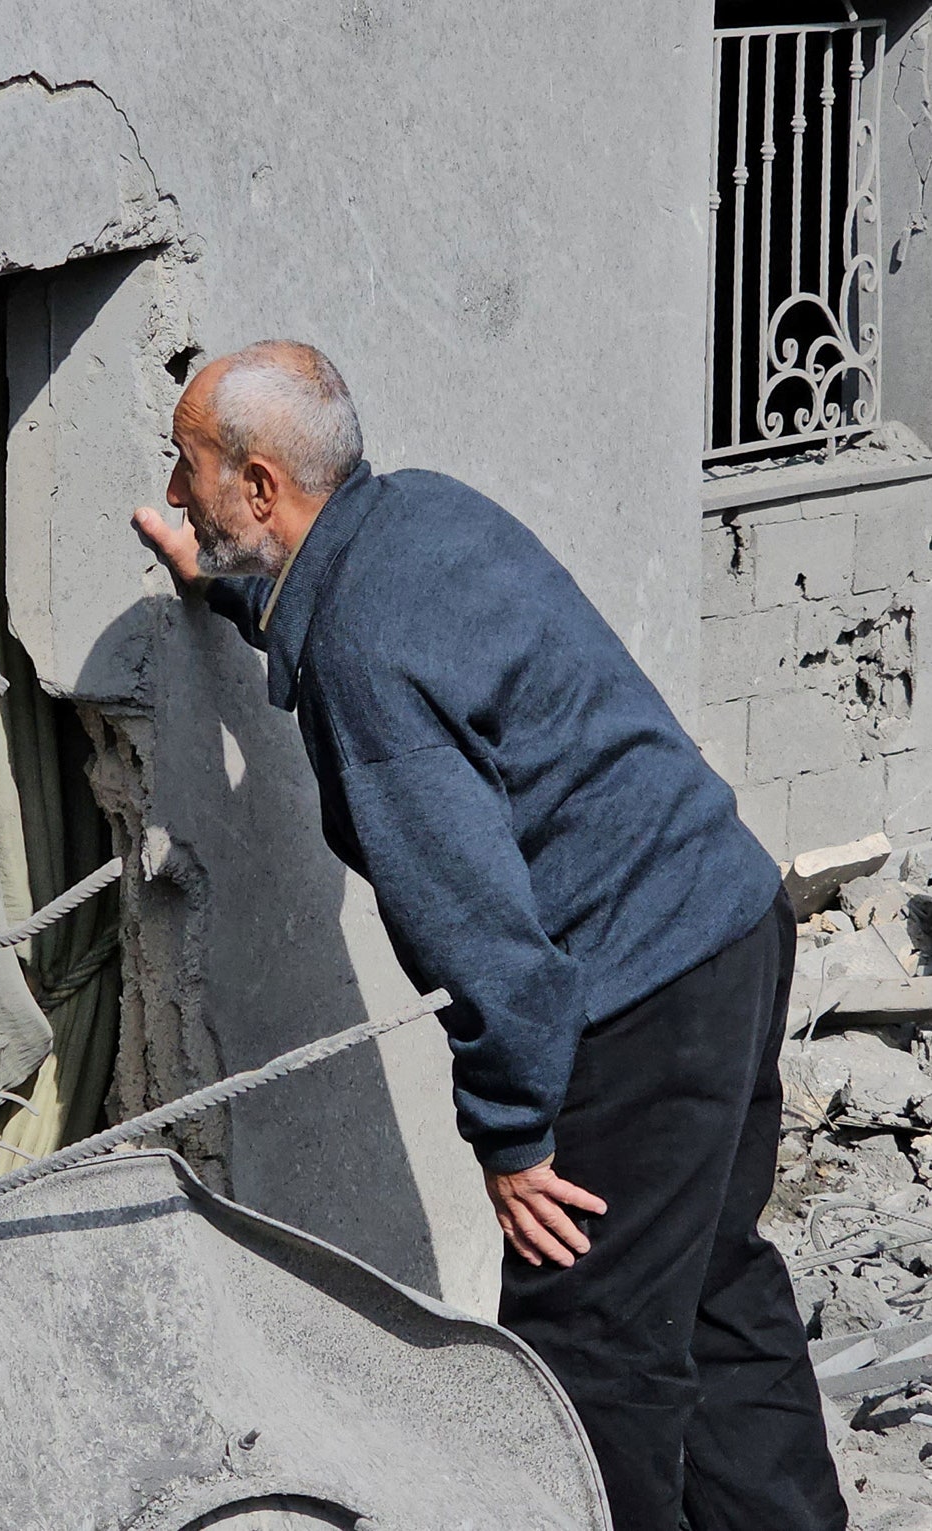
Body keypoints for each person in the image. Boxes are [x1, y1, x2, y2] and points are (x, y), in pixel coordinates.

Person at [130, 340, 845, 1531]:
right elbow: (352, 617)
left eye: (188, 468)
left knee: (588, 1358)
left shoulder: (362, 651)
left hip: (632, 1001)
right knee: (711, 1291)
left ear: (261, 486)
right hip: (727, 920)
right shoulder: (418, 516)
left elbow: (481, 934)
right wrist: (222, 585)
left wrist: (512, 1136)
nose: (172, 495)